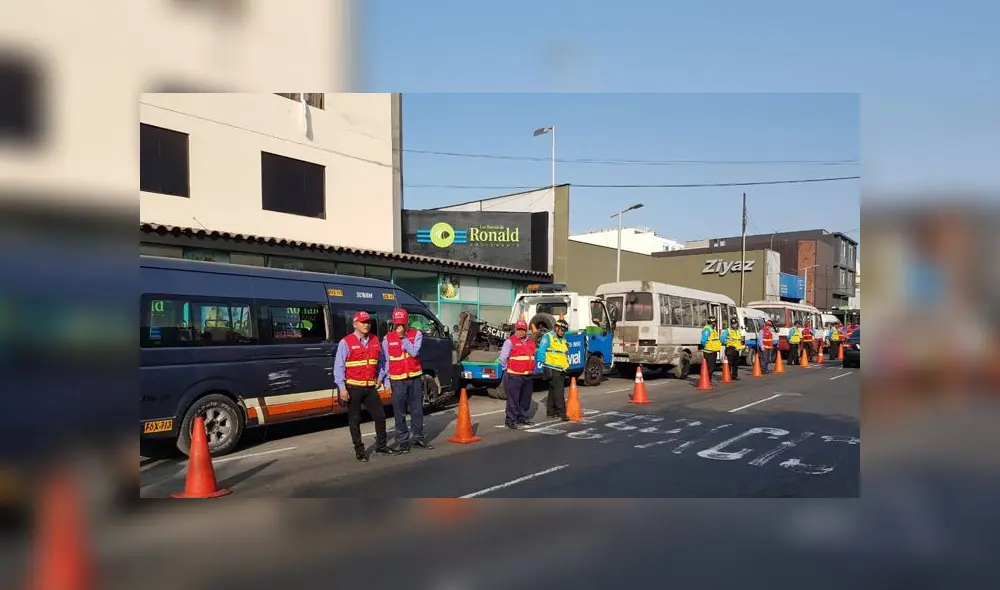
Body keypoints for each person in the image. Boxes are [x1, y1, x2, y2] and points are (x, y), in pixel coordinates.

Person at [334, 311, 399, 462]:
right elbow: (339, 367)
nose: (367, 325)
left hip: (370, 387)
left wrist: (381, 378)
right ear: (355, 324)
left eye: (368, 322)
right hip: (353, 387)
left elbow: (382, 362)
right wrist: (342, 388)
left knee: (380, 416)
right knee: (355, 419)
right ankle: (359, 450)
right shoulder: (346, 342)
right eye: (363, 322)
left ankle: (381, 445)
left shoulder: (375, 340)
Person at [383, 308, 433, 454]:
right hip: (397, 380)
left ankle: (418, 437)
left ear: (407, 322)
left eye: (402, 324)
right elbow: (386, 362)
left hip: (414, 378)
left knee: (417, 410)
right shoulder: (387, 339)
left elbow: (414, 352)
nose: (400, 326)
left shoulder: (416, 334)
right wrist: (386, 381)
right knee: (399, 412)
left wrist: (403, 338)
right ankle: (403, 441)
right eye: (397, 324)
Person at [498, 319, 536, 429]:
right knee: (513, 399)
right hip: (514, 375)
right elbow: (503, 357)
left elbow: (533, 356)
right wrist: (507, 368)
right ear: (516, 329)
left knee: (525, 398)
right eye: (519, 329)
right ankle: (510, 420)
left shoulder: (531, 342)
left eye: (523, 329)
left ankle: (522, 418)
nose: (521, 331)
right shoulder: (510, 342)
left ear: (526, 330)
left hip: (528, 375)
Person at [536, 318, 570, 421]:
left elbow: (563, 353)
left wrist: (566, 365)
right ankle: (562, 412)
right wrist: (544, 364)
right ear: (556, 327)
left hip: (561, 369)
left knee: (552, 391)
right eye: (561, 330)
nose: (563, 332)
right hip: (552, 368)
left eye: (564, 331)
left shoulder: (563, 339)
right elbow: (541, 351)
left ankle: (551, 412)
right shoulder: (548, 337)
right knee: (559, 392)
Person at [699, 316, 722, 384]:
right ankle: (707, 380)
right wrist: (706, 347)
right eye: (715, 322)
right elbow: (703, 340)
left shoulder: (712, 329)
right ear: (713, 322)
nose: (715, 324)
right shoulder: (707, 329)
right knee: (710, 367)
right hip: (708, 351)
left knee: (712, 367)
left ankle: (708, 380)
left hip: (713, 351)